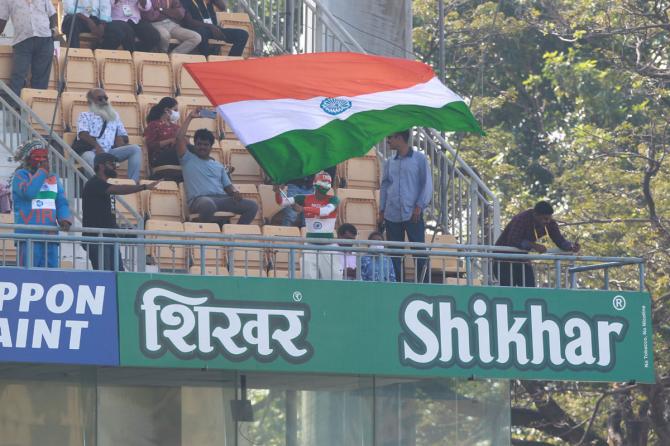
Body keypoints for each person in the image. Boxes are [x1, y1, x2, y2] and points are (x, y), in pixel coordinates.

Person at [177, 110, 258, 223]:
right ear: (194, 145)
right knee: (208, 205)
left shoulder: (218, 166)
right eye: (199, 144)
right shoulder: (187, 159)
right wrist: (190, 117)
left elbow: (228, 187)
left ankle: (234, 236)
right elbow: (179, 138)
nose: (202, 147)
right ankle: (207, 234)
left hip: (222, 199)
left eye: (206, 145)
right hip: (200, 200)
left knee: (252, 206)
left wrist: (235, 193)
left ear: (211, 147)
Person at [82, 152, 158, 270]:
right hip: (98, 240)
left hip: (109, 239)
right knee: (105, 276)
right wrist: (143, 187)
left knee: (118, 275)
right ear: (101, 166)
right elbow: (120, 189)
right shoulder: (94, 184)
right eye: (111, 164)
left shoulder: (103, 186)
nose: (115, 167)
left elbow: (107, 215)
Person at [379, 130, 433, 282]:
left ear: (399, 138)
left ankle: (425, 284)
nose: (388, 140)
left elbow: (427, 184)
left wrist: (419, 206)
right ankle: (397, 283)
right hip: (391, 213)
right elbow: (384, 186)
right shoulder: (389, 162)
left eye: (390, 137)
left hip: (412, 212)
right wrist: (382, 210)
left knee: (418, 250)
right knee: (395, 253)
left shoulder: (420, 159)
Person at [11, 140, 72, 267]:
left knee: (51, 276)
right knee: (28, 275)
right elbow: (29, 193)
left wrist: (64, 218)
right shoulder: (20, 176)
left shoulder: (53, 178)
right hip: (28, 236)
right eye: (37, 157)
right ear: (28, 159)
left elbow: (61, 201)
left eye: (44, 157)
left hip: (50, 236)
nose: (41, 160)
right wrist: (42, 172)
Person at [494, 201, 580, 287]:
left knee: (529, 288)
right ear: (535, 215)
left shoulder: (549, 222)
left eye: (550, 218)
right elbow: (513, 240)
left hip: (522, 259)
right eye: (545, 219)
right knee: (509, 290)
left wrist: (571, 247)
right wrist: (534, 246)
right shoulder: (521, 219)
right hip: (503, 259)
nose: (548, 221)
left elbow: (560, 240)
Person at [274, 172, 342, 280]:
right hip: (310, 246)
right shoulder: (304, 198)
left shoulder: (333, 199)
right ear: (315, 184)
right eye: (322, 184)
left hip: (328, 247)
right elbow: (282, 202)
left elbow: (325, 211)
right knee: (308, 278)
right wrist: (278, 192)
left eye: (326, 184)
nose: (324, 188)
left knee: (332, 280)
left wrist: (303, 209)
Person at [76, 88, 144, 182]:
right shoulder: (85, 115)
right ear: (90, 102)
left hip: (109, 153)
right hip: (91, 151)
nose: (104, 101)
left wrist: (119, 138)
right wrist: (97, 147)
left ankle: (132, 182)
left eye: (105, 98)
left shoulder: (114, 116)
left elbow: (124, 137)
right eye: (100, 99)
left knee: (135, 149)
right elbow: (83, 134)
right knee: (89, 156)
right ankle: (99, 184)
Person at [0, 0, 58, 96]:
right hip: (22, 41)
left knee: (41, 80)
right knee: (18, 76)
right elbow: (1, 20)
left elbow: (52, 14)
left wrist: (54, 29)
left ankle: (37, 107)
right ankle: (14, 108)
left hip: (45, 39)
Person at [179, 0, 248, 56]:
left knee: (242, 34)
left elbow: (222, 7)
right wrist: (210, 26)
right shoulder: (185, 1)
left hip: (213, 28)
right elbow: (189, 22)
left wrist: (213, 27)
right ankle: (207, 60)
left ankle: (231, 63)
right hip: (198, 28)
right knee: (202, 33)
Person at [61, 0, 129, 50]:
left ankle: (100, 53)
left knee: (118, 31)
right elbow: (69, 8)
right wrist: (87, 20)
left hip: (96, 19)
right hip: (78, 16)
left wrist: (102, 25)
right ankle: (74, 55)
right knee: (71, 22)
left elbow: (105, 8)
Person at [144, 96, 182, 180]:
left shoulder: (177, 127)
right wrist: (170, 141)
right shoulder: (153, 125)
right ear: (167, 110)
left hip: (176, 156)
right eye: (175, 110)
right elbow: (151, 145)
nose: (177, 113)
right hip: (159, 157)